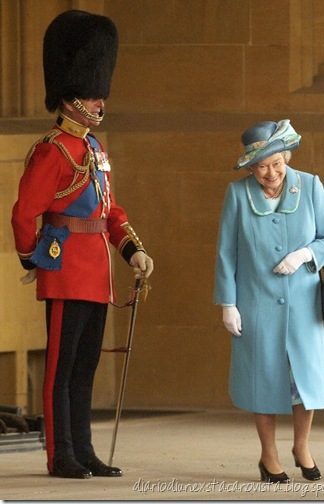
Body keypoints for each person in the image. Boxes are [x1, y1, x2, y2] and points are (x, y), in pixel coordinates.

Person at [11, 10, 153, 479]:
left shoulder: (94, 151)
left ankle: (84, 451)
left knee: (85, 368)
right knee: (59, 370)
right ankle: (60, 455)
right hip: (64, 270)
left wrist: (133, 251)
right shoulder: (53, 151)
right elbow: (23, 212)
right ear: (72, 98)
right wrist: (32, 256)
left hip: (96, 275)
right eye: (93, 94)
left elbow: (110, 212)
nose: (100, 100)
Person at [214, 119, 324, 483]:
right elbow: (226, 252)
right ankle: (268, 456)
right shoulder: (237, 194)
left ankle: (302, 446)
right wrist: (228, 302)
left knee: (305, 381)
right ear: (250, 167)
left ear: (286, 156)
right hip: (255, 302)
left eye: (276, 164)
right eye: (261, 166)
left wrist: (303, 255)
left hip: (302, 303)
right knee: (262, 379)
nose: (270, 173)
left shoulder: (311, 186)